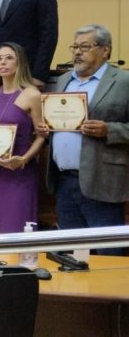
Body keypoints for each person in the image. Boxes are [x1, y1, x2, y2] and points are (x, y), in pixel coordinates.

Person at [40, 25, 129, 255]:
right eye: (75, 47)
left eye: (85, 47)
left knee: (108, 255)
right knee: (72, 254)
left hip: (103, 180)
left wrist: (109, 129)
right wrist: (47, 129)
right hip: (64, 182)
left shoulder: (123, 81)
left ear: (105, 50)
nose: (77, 52)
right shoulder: (63, 80)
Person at [0, 42, 46, 234]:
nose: (3, 62)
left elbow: (42, 136)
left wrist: (24, 159)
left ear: (20, 62)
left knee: (17, 223)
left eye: (9, 58)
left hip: (19, 168)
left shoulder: (32, 95)